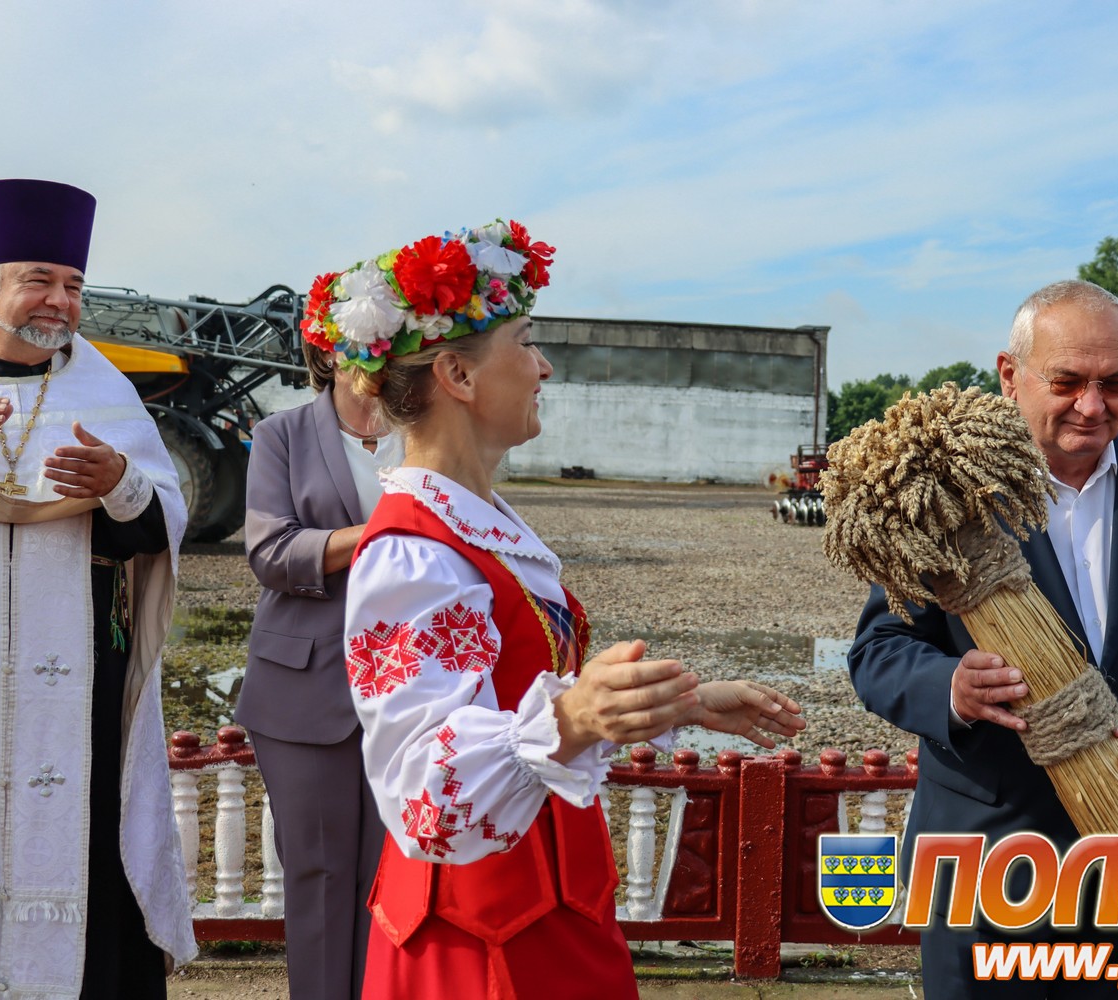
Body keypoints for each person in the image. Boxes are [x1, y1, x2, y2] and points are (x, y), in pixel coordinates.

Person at [299, 220, 807, 999]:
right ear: (457, 375)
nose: (544, 366)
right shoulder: (413, 554)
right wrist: (570, 717)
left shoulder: (471, 524)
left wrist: (676, 703)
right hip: (477, 941)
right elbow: (422, 793)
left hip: (542, 908)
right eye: (527, 343)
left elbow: (518, 684)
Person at [848, 279, 1118, 998]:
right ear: (1010, 375)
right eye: (1068, 381)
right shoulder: (945, 493)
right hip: (984, 862)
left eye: (1115, 383)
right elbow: (880, 648)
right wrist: (952, 689)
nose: (1093, 406)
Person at [0, 179, 195, 998]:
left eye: (73, 285)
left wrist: (121, 487)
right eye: (39, 279)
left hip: (78, 696)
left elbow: (157, 537)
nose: (60, 302)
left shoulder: (107, 399)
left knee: (83, 850)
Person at [236, 338, 403, 1000]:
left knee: (398, 874)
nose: (384, 358)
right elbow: (271, 550)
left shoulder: (430, 430)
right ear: (327, 353)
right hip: (302, 684)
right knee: (319, 874)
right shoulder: (280, 435)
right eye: (368, 344)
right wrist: (387, 531)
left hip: (411, 684)